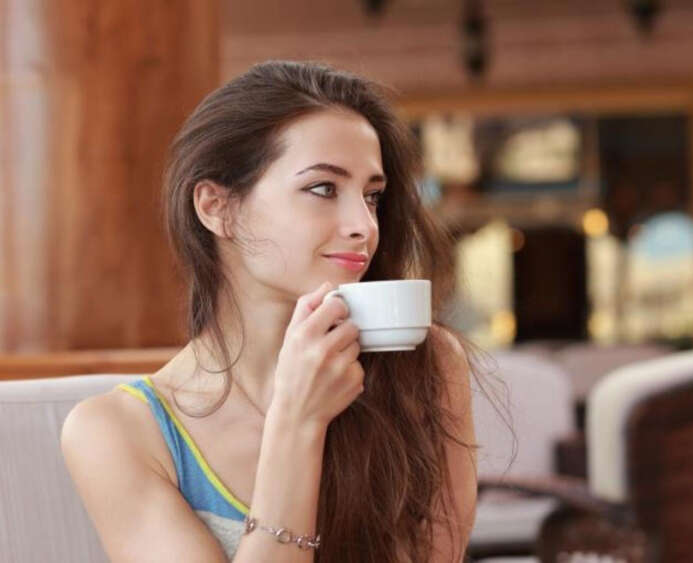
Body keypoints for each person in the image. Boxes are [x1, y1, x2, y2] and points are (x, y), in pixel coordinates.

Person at [61, 60, 484, 563]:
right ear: (217, 208)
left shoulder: (425, 367)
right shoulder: (118, 433)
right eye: (323, 188)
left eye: (372, 196)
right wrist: (298, 424)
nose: (364, 225)